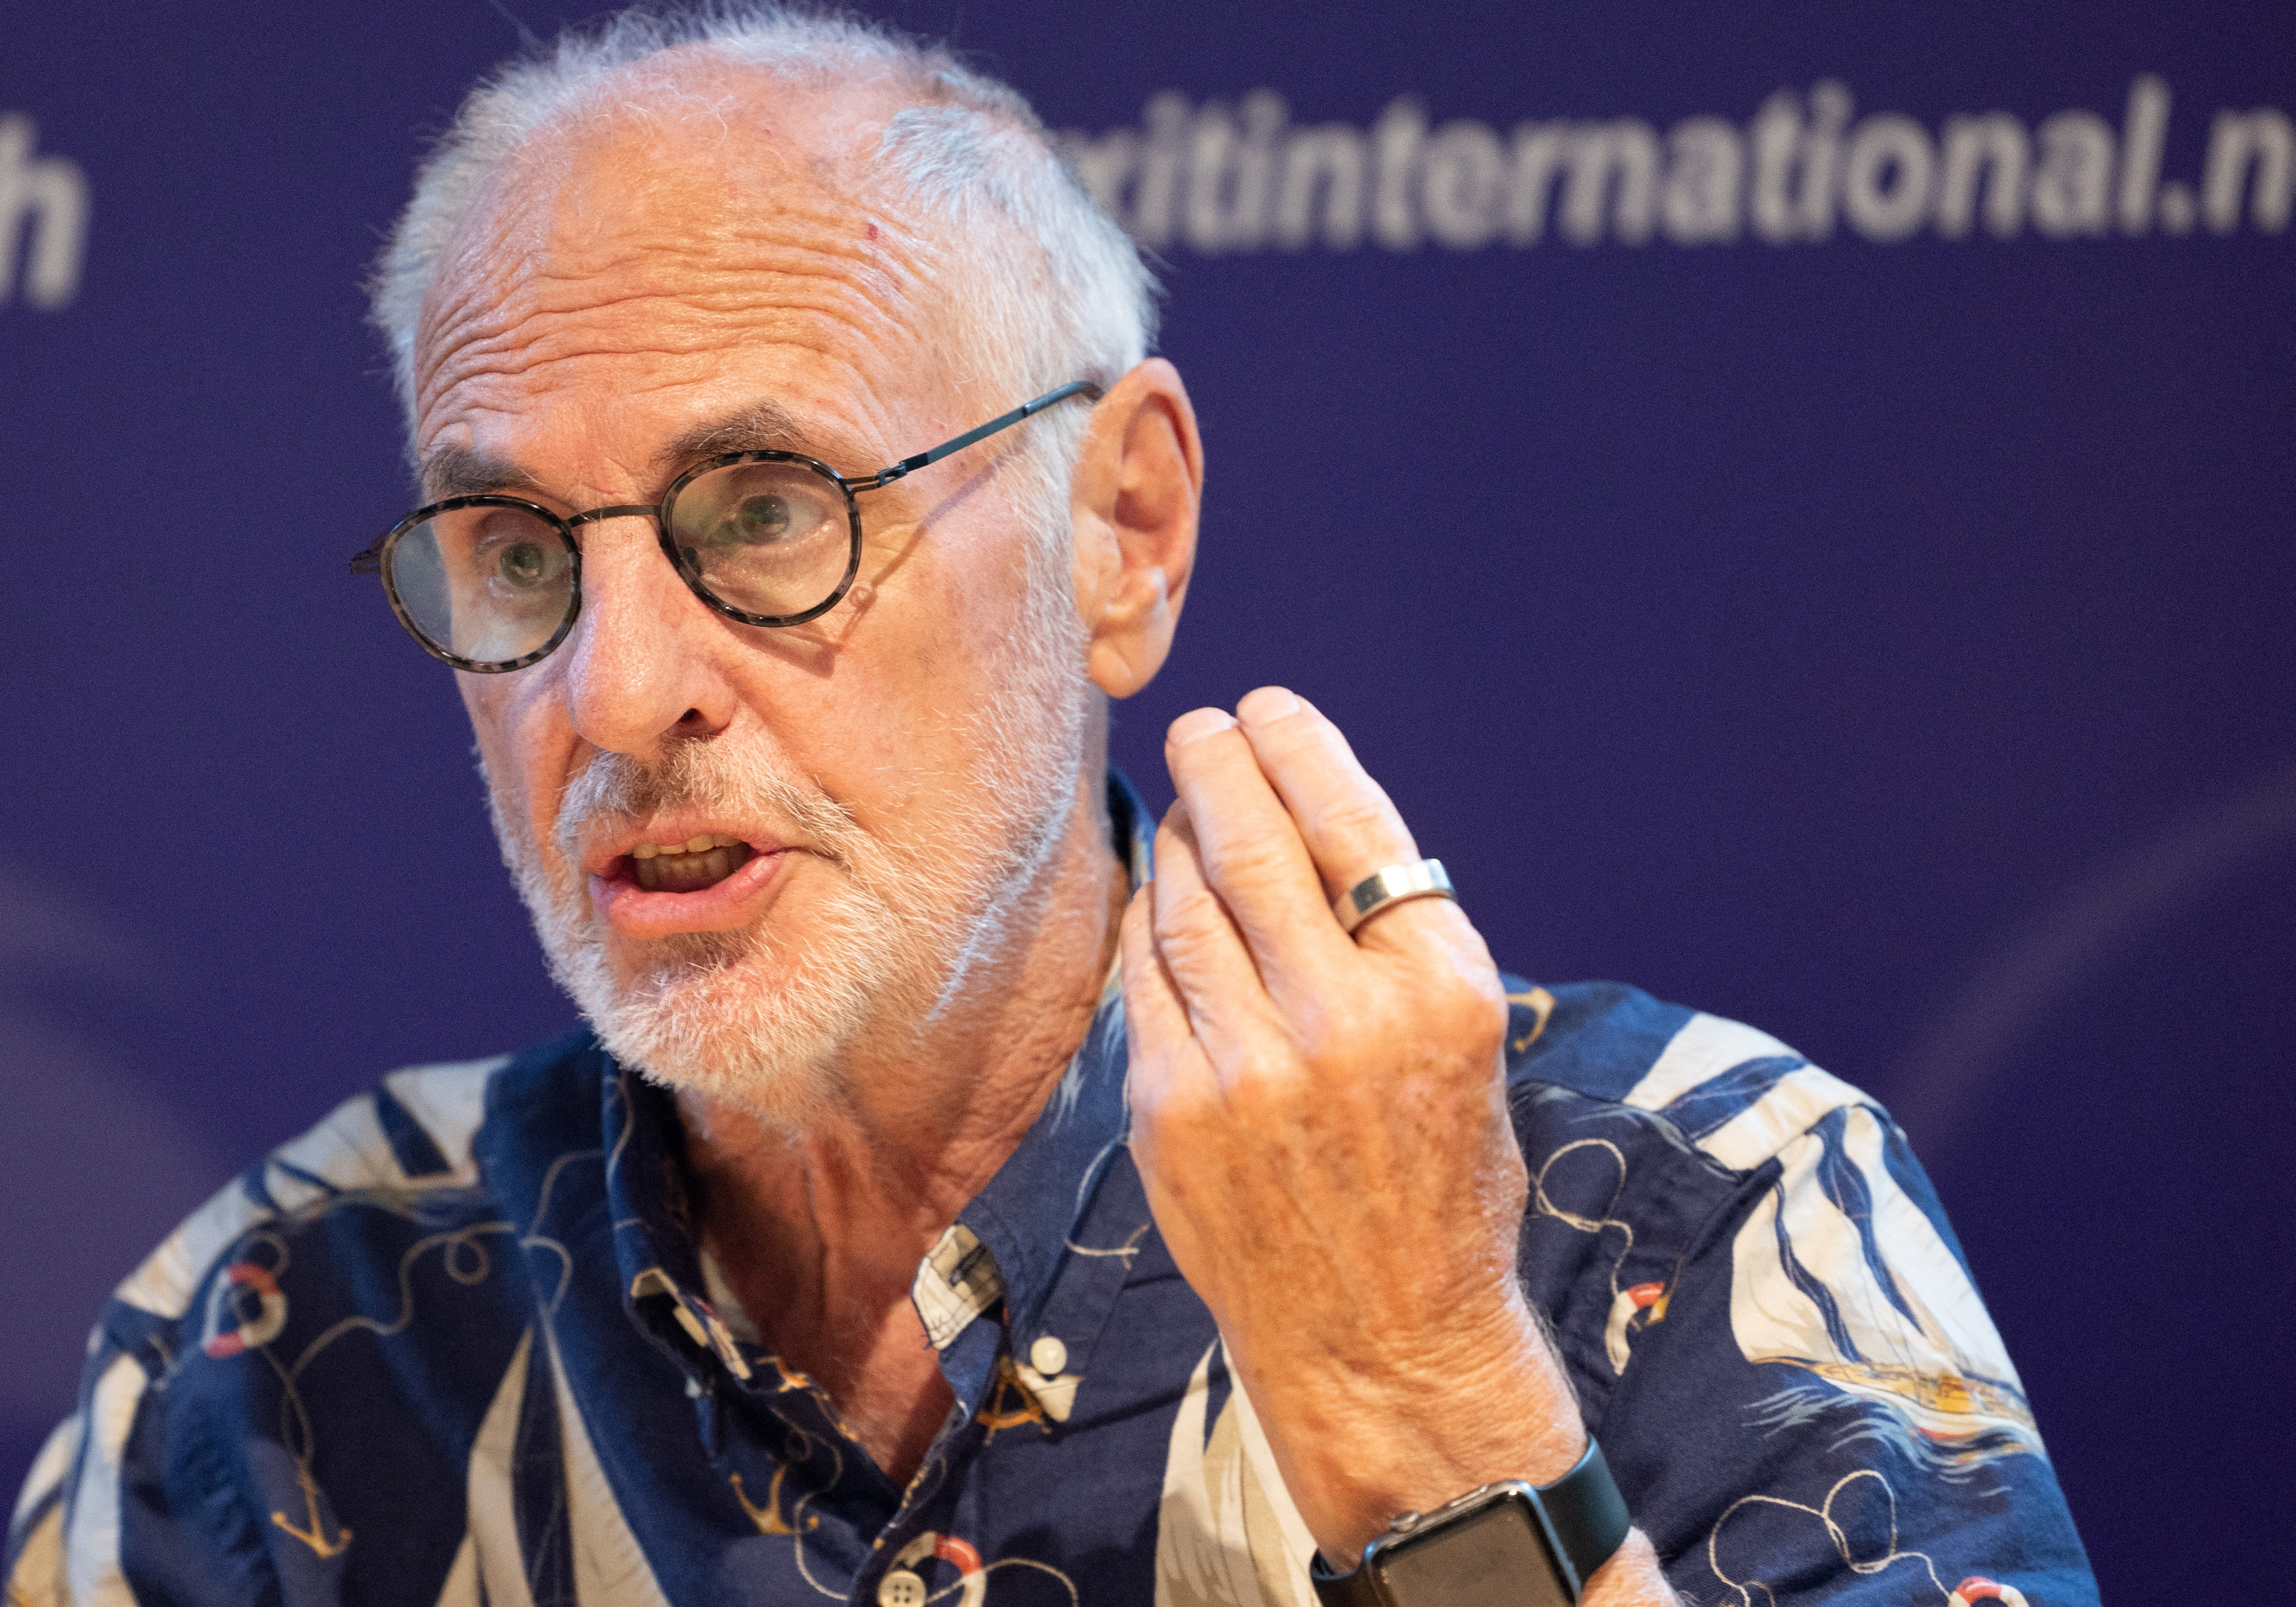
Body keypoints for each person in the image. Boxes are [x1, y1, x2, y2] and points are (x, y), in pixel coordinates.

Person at [5, 8, 2096, 1606]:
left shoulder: (1690, 1215)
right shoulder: (291, 1341)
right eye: (519, 554)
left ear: (1123, 530)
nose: (615, 694)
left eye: (765, 511)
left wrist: (1427, 1419)